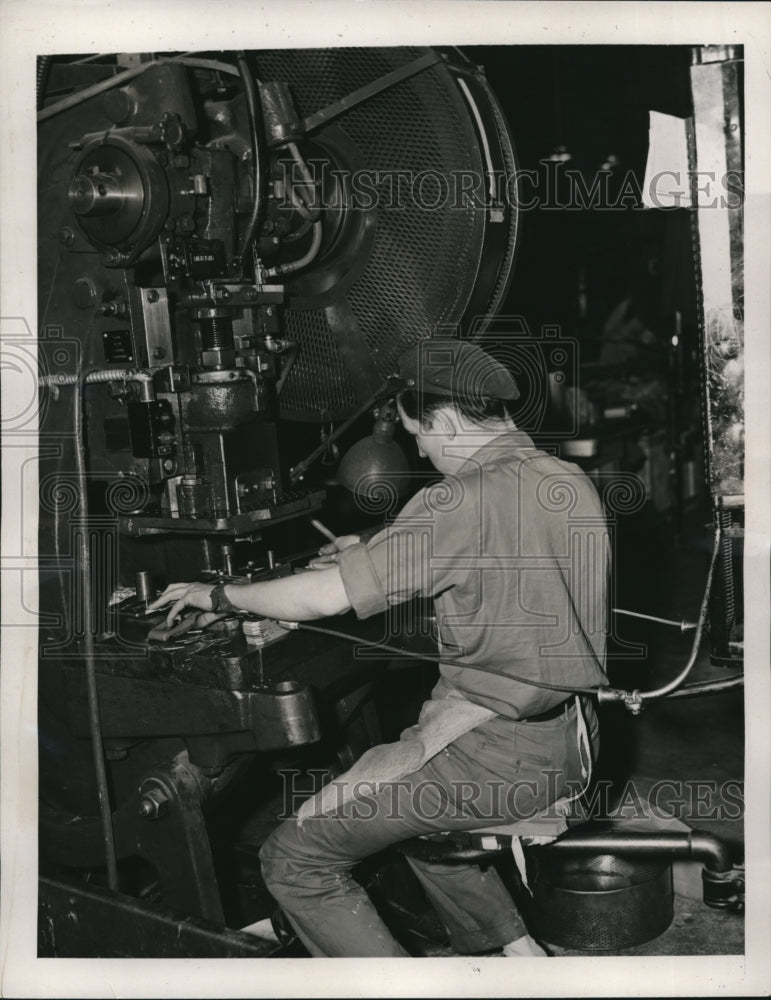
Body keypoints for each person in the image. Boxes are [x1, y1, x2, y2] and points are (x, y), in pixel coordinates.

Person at [149, 338, 609, 958]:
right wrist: (373, 553)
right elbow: (499, 559)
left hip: (499, 761)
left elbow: (322, 600)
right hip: (573, 741)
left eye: (419, 433)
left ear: (443, 420)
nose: (417, 448)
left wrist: (222, 595)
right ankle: (519, 955)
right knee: (413, 817)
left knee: (292, 858)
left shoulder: (456, 501)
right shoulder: (566, 480)